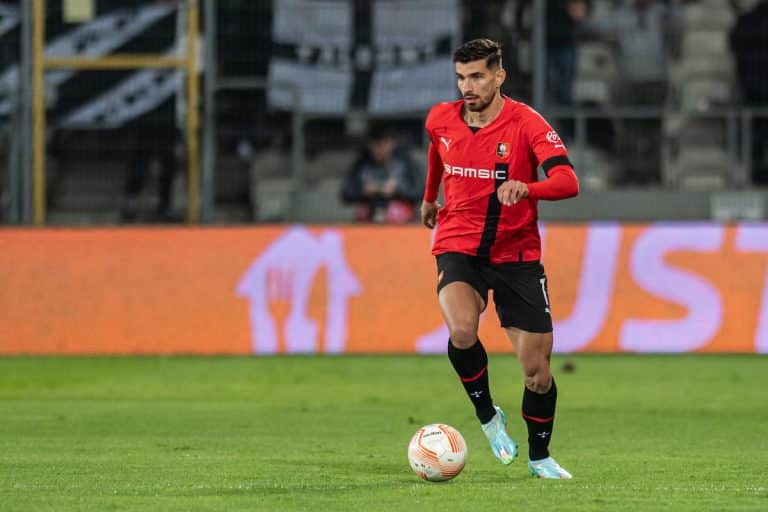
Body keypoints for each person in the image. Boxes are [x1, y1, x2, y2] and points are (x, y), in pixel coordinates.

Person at [421, 39, 579, 479]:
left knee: (537, 374)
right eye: (460, 77)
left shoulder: (527, 124)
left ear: (498, 76)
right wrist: (429, 196)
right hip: (459, 246)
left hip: (517, 255)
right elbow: (438, 150)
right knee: (461, 329)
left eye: (475, 76)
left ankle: (539, 456)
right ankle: (489, 416)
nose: (466, 86)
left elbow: (568, 181)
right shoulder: (441, 118)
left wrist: (529, 187)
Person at [341, 123, 422, 223]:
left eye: (383, 144)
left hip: (401, 220)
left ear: (392, 143)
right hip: (368, 216)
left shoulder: (406, 162)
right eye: (375, 144)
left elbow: (420, 192)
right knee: (362, 211)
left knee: (396, 210)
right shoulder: (362, 164)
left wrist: (396, 189)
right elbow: (346, 193)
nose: (379, 149)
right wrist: (363, 191)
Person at [730, 0, 768, 185]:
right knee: (755, 137)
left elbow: (734, 46)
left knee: (756, 138)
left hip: (752, 88)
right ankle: (758, 175)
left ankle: (758, 175)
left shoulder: (746, 21)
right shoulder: (746, 22)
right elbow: (734, 47)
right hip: (753, 89)